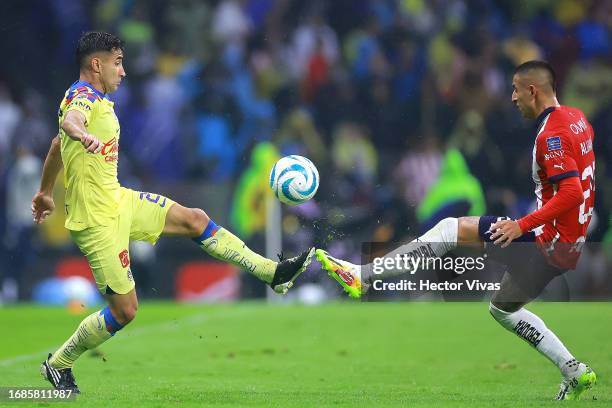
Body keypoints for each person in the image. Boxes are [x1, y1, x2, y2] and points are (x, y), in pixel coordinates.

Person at [33, 32, 314, 394]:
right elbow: (70, 123)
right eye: (117, 62)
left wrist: (44, 192)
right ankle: (58, 364)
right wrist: (80, 133)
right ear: (96, 64)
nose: (124, 70)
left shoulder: (99, 98)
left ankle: (271, 272)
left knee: (194, 218)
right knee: (125, 312)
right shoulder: (81, 97)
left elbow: (58, 142)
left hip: (119, 200)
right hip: (97, 221)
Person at [316, 60, 597, 400]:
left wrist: (521, 224)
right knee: (502, 308)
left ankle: (362, 276)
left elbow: (570, 192)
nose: (511, 97)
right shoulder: (577, 118)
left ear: (532, 91)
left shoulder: (550, 135)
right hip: (568, 244)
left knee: (451, 229)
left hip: (546, 240)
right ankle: (573, 370)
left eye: (515, 89)